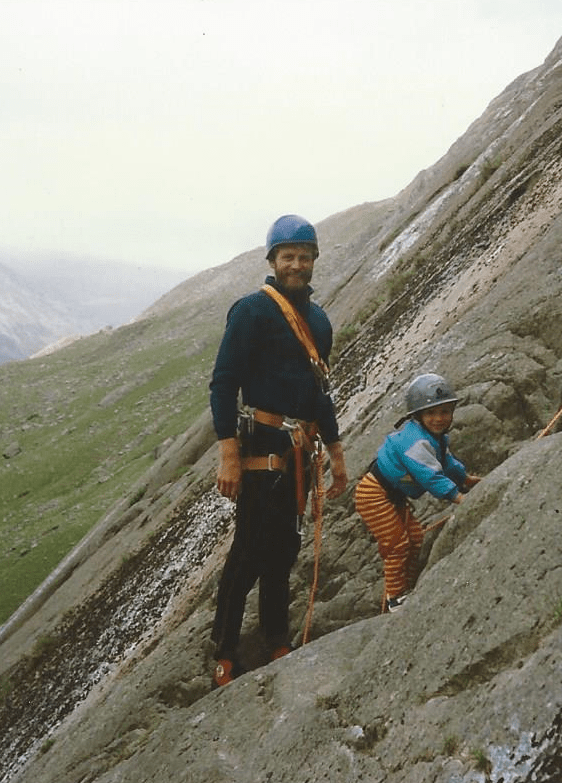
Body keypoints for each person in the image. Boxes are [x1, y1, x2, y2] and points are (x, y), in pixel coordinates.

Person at [207, 214, 348, 687]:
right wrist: (228, 454)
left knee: (283, 550)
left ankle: (276, 638)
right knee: (248, 550)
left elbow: (319, 394)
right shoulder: (252, 311)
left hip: (298, 453)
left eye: (304, 257)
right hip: (259, 448)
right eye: (288, 256)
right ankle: (223, 652)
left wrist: (337, 453)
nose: (297, 264)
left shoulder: (319, 321)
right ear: (272, 261)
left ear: (313, 262)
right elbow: (224, 383)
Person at [354, 373, 480, 612]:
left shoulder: (435, 438)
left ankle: (407, 586)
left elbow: (446, 462)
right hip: (374, 494)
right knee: (397, 544)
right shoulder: (415, 442)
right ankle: (395, 597)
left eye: (444, 412)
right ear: (418, 416)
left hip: (393, 495)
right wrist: (457, 497)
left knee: (415, 537)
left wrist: (465, 478)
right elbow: (429, 475)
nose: (439, 419)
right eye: (431, 413)